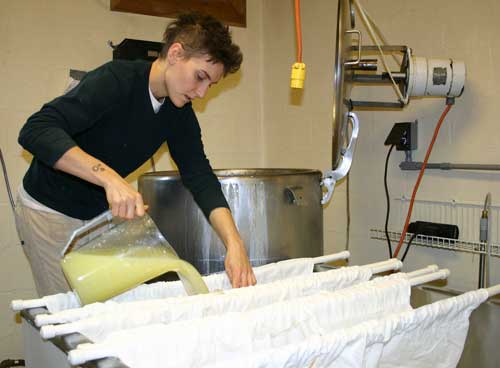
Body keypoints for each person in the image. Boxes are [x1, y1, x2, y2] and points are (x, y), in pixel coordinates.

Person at [15, 12, 256, 297]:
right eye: (200, 77)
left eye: (210, 85)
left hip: (96, 217)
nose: (202, 92)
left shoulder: (178, 113)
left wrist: (235, 243)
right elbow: (35, 129)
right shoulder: (116, 80)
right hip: (49, 210)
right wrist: (110, 179)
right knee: (69, 316)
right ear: (176, 53)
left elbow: (200, 176)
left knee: (104, 309)